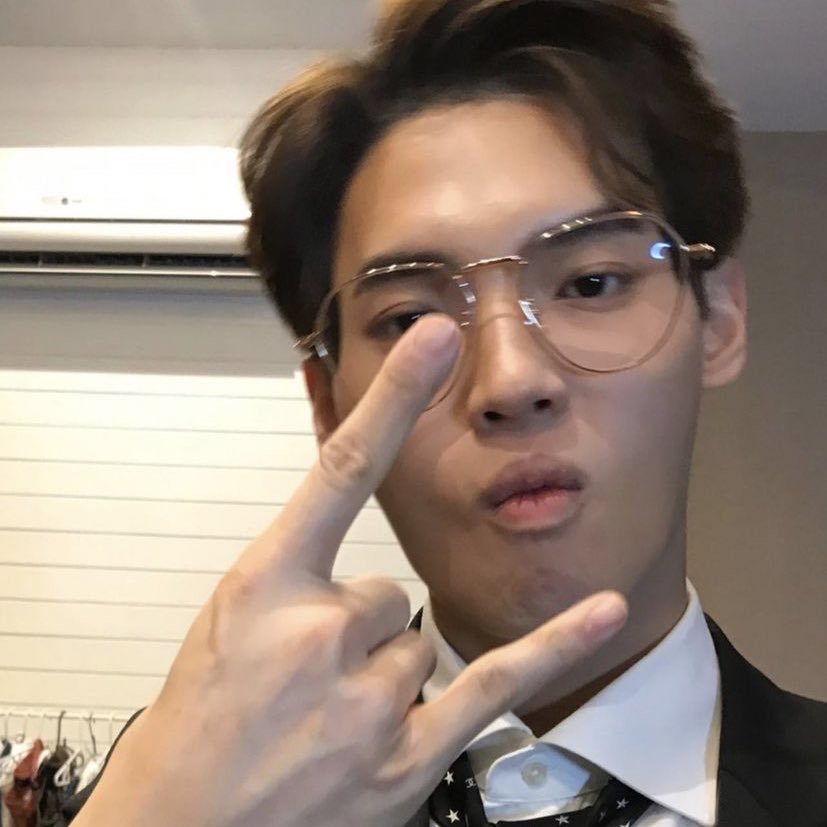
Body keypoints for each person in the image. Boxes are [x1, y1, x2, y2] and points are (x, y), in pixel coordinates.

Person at [66, 1, 827, 825]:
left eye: (590, 282)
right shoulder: (194, 790)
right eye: (408, 320)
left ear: (719, 319)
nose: (508, 380)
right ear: (327, 401)